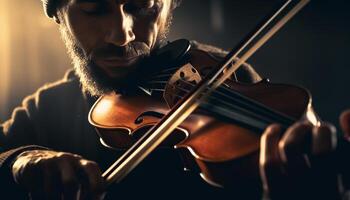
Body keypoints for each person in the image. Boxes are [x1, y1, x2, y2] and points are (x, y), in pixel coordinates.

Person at [0, 0, 348, 199]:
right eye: (93, 8)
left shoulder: (227, 75)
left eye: (143, 6)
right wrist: (21, 160)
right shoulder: (47, 109)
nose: (122, 35)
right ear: (59, 13)